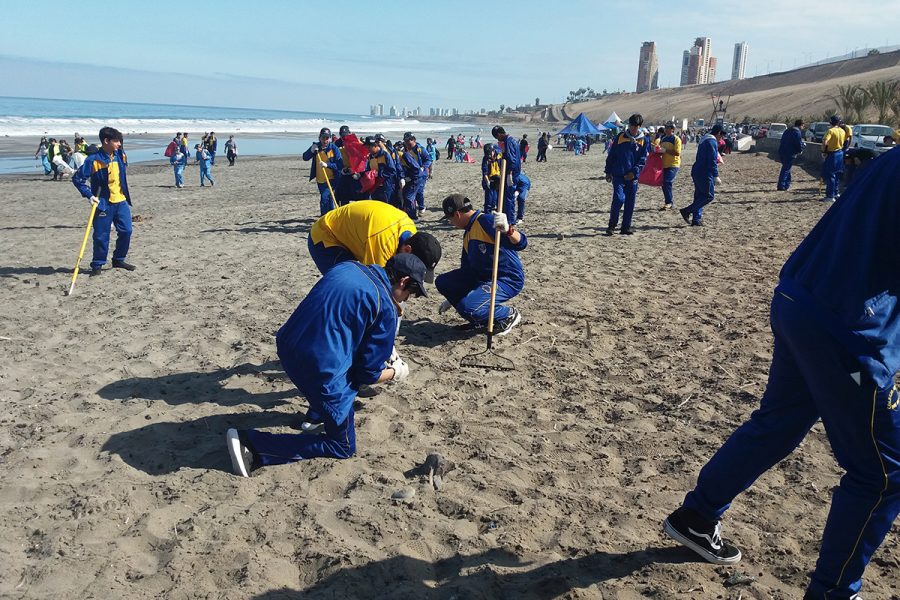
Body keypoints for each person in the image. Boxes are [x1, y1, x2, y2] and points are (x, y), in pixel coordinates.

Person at [663, 148, 900, 600]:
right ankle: (833, 592)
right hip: (846, 331)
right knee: (883, 474)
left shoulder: (891, 158)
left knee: (776, 424)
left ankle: (697, 516)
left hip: (801, 299)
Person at [225, 253, 428, 476]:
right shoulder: (385, 307)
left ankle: (315, 415)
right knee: (343, 446)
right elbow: (367, 375)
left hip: (287, 345)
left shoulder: (349, 267)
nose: (407, 299)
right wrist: (396, 372)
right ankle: (252, 445)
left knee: (337, 362)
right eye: (411, 293)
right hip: (317, 367)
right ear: (403, 282)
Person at [436, 193, 526, 336]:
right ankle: (480, 318)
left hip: (506, 279)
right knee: (443, 282)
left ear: (457, 214)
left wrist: (508, 230)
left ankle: (508, 314)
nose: (451, 224)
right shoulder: (468, 234)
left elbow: (522, 243)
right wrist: (452, 297)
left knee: (469, 307)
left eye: (450, 219)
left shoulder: (486, 221)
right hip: (481, 278)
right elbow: (466, 269)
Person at [72, 127, 136, 276]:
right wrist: (89, 195)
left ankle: (119, 259)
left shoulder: (120, 155)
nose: (119, 144)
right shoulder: (93, 160)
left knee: (127, 231)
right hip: (103, 203)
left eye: (120, 141)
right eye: (116, 141)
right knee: (101, 235)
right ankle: (98, 264)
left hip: (121, 201)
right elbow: (77, 179)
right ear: (106, 141)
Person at [604, 114, 649, 235]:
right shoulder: (620, 137)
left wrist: (634, 172)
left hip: (632, 177)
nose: (633, 128)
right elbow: (612, 156)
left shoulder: (644, 140)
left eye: (636, 126)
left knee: (630, 202)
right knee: (619, 199)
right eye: (632, 125)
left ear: (639, 126)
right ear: (628, 125)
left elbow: (643, 160)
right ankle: (612, 226)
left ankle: (625, 227)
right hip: (618, 174)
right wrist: (608, 171)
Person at [679, 123, 725, 227]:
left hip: (697, 170)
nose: (721, 138)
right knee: (709, 195)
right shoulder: (711, 141)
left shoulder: (704, 140)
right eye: (721, 135)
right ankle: (687, 211)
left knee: (699, 195)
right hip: (704, 172)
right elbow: (712, 160)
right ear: (718, 133)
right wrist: (716, 175)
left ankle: (696, 219)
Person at [302, 127, 344, 215]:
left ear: (330, 138)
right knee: (328, 199)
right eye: (323, 137)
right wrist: (311, 150)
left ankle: (324, 218)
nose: (325, 140)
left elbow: (340, 165)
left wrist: (327, 165)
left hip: (332, 179)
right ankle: (330, 217)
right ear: (319, 138)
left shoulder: (334, 148)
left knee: (325, 198)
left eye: (327, 138)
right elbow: (305, 157)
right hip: (320, 180)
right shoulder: (316, 147)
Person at [491, 126, 521, 227]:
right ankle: (508, 218)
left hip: (511, 173)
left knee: (508, 197)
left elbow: (511, 159)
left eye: (497, 137)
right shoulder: (513, 140)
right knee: (508, 196)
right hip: (514, 171)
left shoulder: (509, 141)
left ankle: (510, 220)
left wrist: (509, 173)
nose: (497, 140)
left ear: (499, 134)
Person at [399, 132, 430, 220]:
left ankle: (421, 206)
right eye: (406, 140)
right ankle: (417, 208)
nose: (407, 142)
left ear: (414, 140)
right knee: (413, 193)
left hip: (421, 174)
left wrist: (423, 167)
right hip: (412, 174)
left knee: (419, 192)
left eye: (409, 140)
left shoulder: (420, 149)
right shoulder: (406, 150)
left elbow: (428, 159)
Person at [363, 135, 398, 205]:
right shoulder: (370, 157)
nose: (368, 149)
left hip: (386, 186)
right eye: (367, 147)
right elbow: (368, 169)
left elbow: (392, 171)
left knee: (387, 206)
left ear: (375, 145)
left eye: (369, 147)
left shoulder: (385, 155)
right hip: (375, 187)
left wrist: (379, 174)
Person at [821, 115, 847, 203]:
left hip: (832, 154)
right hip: (840, 153)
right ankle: (836, 193)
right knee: (837, 174)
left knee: (831, 175)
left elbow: (825, 141)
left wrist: (824, 151)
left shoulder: (831, 131)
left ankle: (830, 196)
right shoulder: (842, 131)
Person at [777, 119, 806, 191]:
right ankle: (781, 185)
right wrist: (801, 149)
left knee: (787, 168)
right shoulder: (797, 132)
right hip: (790, 153)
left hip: (782, 152)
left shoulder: (787, 130)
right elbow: (797, 143)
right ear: (801, 125)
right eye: (803, 126)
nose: (803, 127)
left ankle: (786, 184)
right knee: (786, 169)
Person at [659, 122, 682, 210]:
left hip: (673, 164)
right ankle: (668, 201)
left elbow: (677, 153)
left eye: (668, 128)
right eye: (666, 128)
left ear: (672, 129)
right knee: (664, 183)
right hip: (664, 164)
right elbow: (661, 150)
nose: (666, 129)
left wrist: (665, 150)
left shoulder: (676, 139)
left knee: (667, 181)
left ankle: (669, 202)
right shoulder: (663, 139)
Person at [481, 143, 501, 212]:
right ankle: (488, 212)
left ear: (493, 151)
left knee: (497, 196)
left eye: (490, 154)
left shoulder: (499, 155)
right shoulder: (485, 158)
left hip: (498, 178)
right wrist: (487, 182)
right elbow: (485, 172)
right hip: (489, 178)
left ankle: (496, 208)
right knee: (489, 197)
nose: (490, 157)